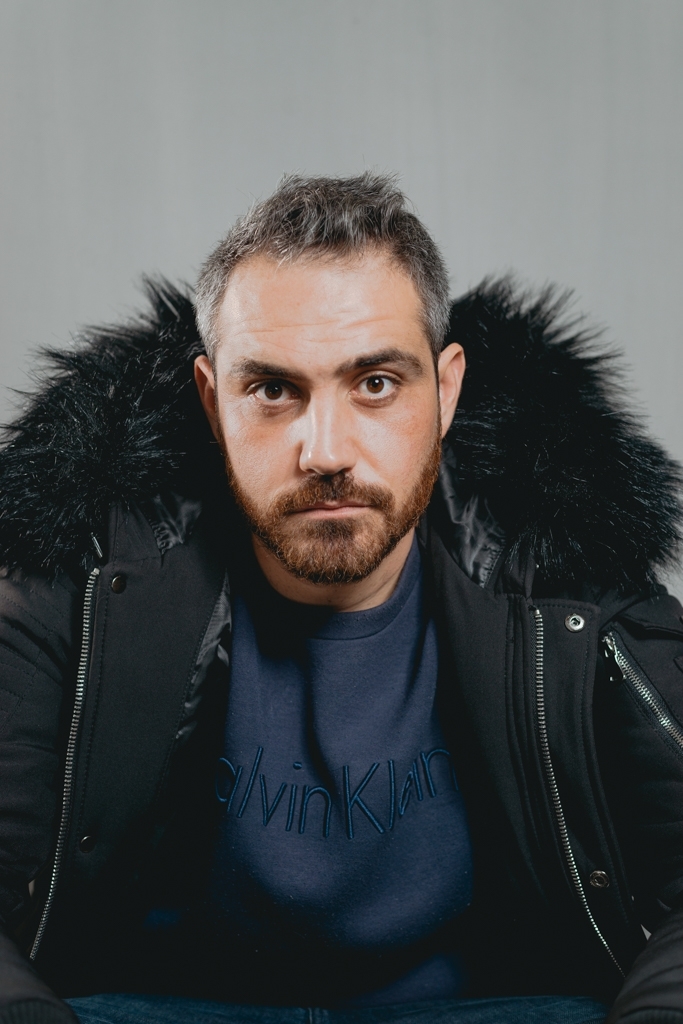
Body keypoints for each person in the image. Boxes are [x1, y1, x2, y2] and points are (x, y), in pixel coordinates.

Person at [0, 174, 682, 1024]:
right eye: (272, 390)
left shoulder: (560, 577)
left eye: (375, 384)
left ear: (447, 391)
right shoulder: (92, 573)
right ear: (212, 402)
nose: (325, 452)